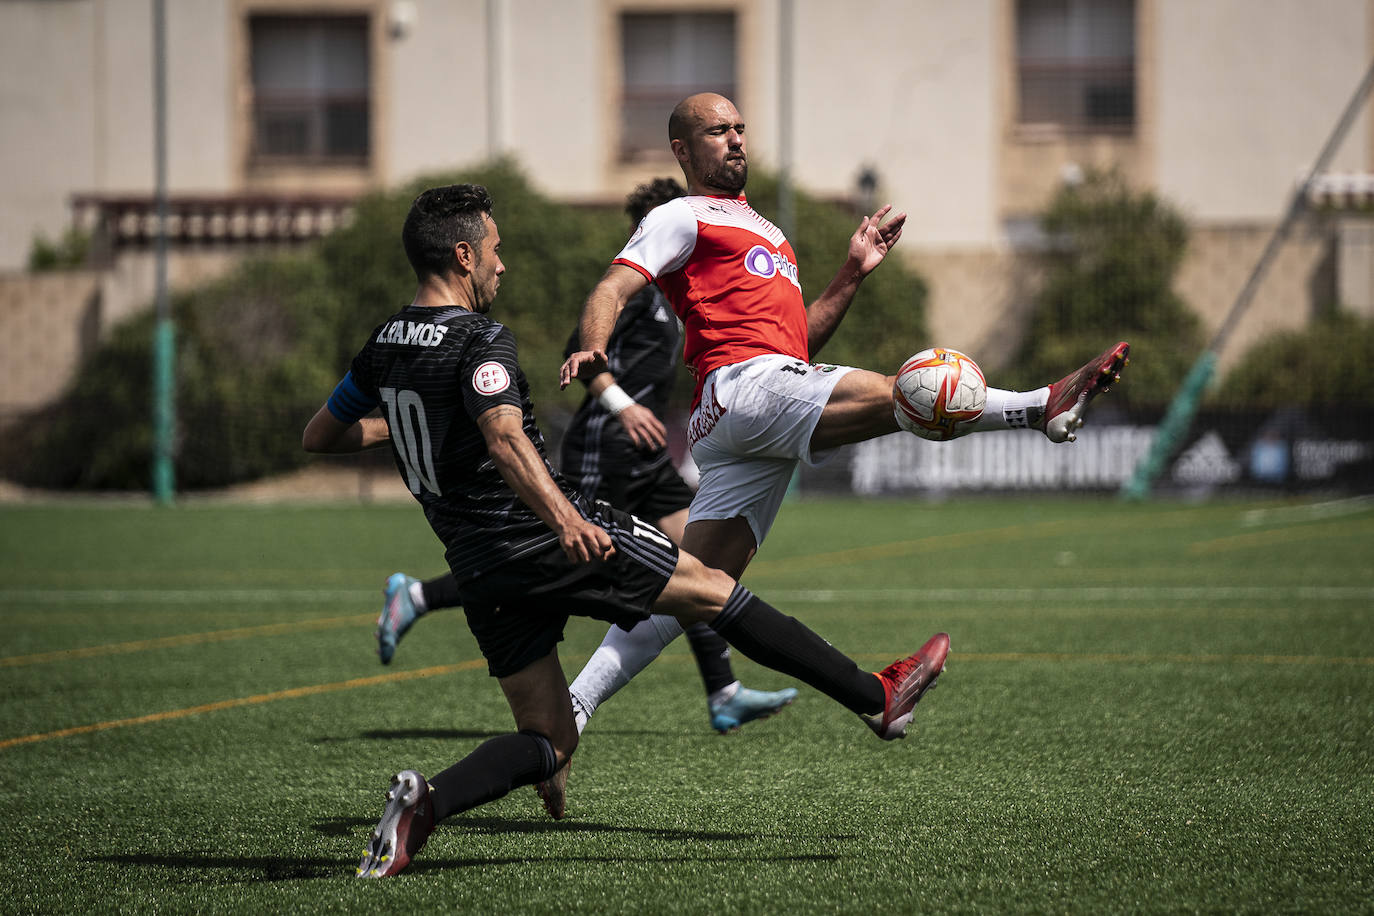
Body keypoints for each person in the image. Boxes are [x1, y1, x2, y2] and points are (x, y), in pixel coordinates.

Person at [303, 184, 949, 878]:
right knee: (713, 588)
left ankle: (424, 807)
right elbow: (503, 437)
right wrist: (567, 519)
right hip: (540, 533)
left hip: (478, 563)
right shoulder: (480, 338)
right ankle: (878, 699)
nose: (502, 265)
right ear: (462, 255)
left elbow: (322, 434)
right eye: (495, 250)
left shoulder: (384, 344)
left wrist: (413, 432)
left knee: (549, 739)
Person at [558, 92, 1128, 700]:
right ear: (682, 149)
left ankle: (573, 708)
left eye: (740, 128)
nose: (736, 139)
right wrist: (594, 346)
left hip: (742, 410)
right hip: (740, 387)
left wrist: (852, 272)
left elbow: (795, 345)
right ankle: (1043, 406)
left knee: (691, 591)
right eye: (718, 130)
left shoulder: (769, 233)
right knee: (911, 390)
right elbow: (612, 288)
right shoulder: (680, 215)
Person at [372, 178, 798, 741]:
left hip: (645, 456)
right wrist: (621, 406)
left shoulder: (684, 292)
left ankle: (722, 692)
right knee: (570, 556)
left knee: (699, 568)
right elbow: (583, 346)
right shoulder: (636, 291)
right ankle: (420, 595)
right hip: (607, 446)